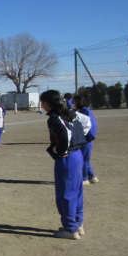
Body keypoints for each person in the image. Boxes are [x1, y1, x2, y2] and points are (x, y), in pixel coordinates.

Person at [39, 90, 87, 240]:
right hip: (77, 154)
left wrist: (60, 151)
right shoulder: (70, 113)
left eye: (42, 102)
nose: (41, 105)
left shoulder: (54, 118)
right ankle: (77, 224)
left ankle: (70, 228)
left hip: (68, 157)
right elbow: (85, 127)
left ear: (47, 103)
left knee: (66, 193)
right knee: (77, 191)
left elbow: (65, 134)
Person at [73, 95, 99, 185]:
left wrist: (88, 137)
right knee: (84, 158)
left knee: (84, 160)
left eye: (73, 102)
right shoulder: (77, 111)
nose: (72, 103)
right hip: (80, 139)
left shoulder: (86, 111)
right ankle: (92, 177)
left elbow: (92, 125)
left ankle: (84, 179)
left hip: (86, 139)